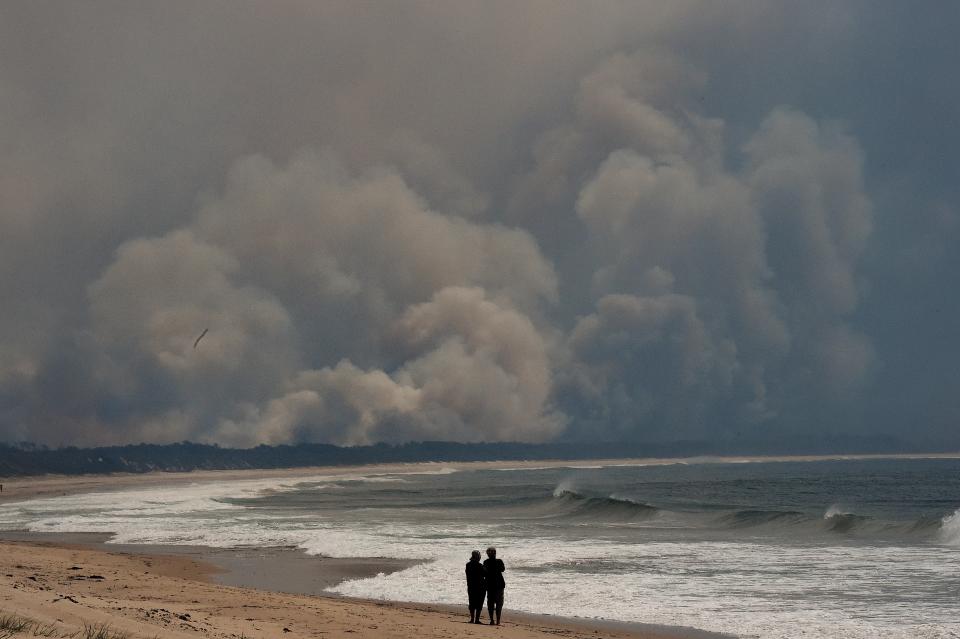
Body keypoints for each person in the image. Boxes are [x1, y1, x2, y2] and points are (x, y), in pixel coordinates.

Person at [483, 546, 505, 625]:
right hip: (499, 585)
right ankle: (498, 621)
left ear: (487, 554)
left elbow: (484, 573)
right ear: (495, 553)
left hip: (490, 585)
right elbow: (503, 569)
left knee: (490, 604)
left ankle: (492, 620)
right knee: (499, 603)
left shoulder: (486, 562)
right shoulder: (499, 561)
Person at [465, 550, 486, 623]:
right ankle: (477, 619)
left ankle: (472, 619)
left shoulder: (468, 565)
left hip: (471, 586)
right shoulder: (479, 565)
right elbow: (485, 574)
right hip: (480, 586)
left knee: (472, 602)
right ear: (477, 557)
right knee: (479, 603)